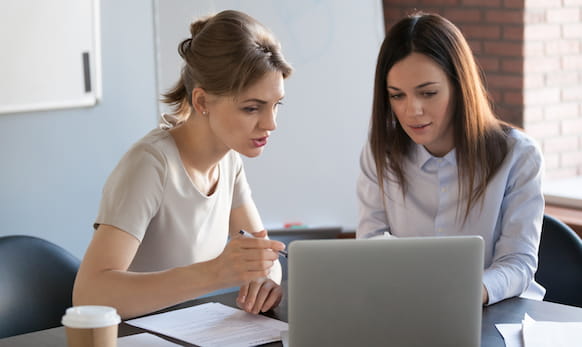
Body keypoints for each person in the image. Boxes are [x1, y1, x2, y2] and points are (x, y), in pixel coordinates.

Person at [73, 10, 293, 319]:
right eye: (252, 108)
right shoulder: (150, 165)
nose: (270, 124)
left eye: (276, 105)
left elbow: (262, 256)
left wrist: (266, 282)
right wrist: (214, 274)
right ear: (202, 102)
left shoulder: (229, 161)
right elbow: (89, 295)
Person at [356, 12, 545, 305]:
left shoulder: (519, 156)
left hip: (495, 311)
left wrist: (468, 291)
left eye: (428, 93)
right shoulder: (381, 152)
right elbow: (370, 245)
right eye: (397, 96)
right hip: (410, 308)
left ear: (460, 88)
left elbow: (518, 263)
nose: (412, 111)